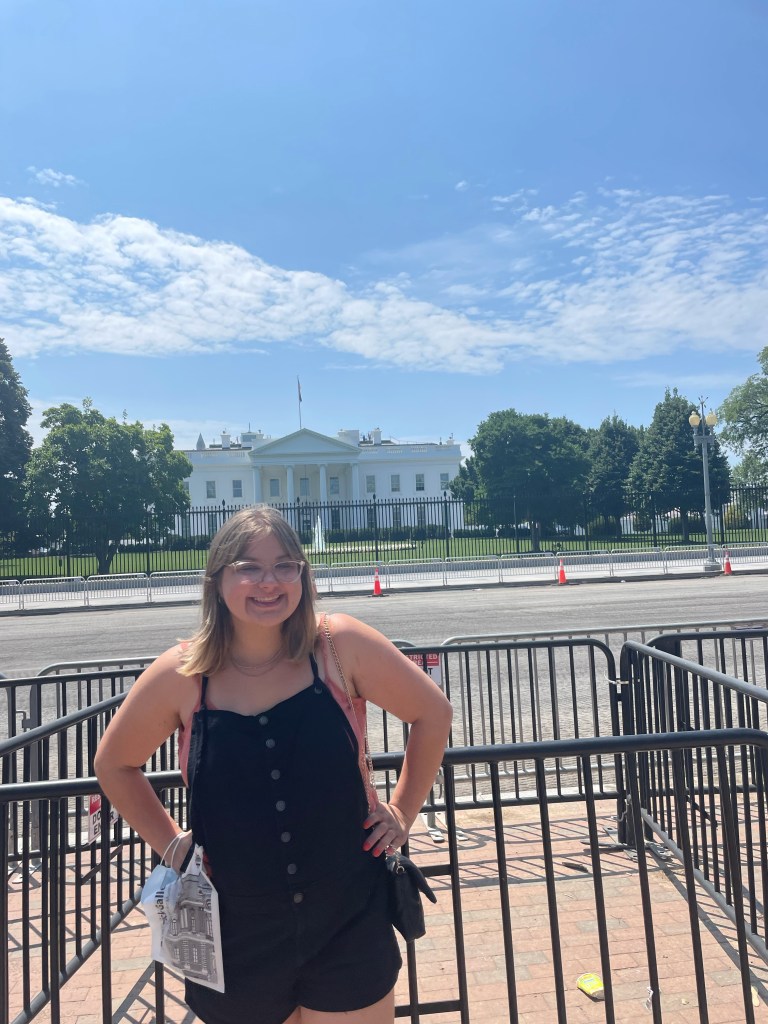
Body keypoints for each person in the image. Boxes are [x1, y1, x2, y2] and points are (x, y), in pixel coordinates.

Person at [94, 505, 453, 1024]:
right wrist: (172, 844)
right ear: (217, 580)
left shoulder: (338, 646)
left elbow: (433, 713)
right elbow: (114, 763)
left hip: (347, 913)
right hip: (235, 928)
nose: (269, 582)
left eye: (286, 565)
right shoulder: (183, 674)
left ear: (303, 575)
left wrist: (401, 811)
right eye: (249, 567)